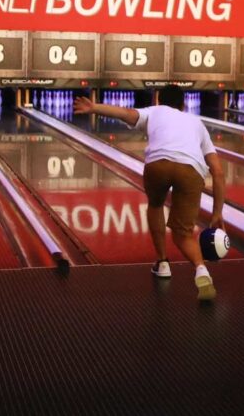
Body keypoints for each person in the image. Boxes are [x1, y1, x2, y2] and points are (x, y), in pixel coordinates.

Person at [73, 85, 226, 301]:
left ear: (158, 100)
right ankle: (202, 270)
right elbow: (218, 173)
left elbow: (126, 114)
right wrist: (217, 212)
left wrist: (94, 107)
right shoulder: (197, 123)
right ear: (184, 104)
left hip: (158, 164)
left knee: (155, 204)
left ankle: (162, 263)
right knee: (183, 235)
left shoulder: (154, 112)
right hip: (190, 170)